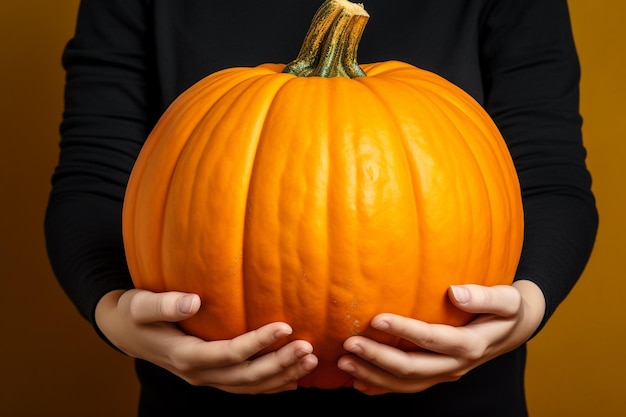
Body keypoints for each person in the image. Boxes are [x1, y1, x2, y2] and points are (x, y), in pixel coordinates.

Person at [44, 0, 598, 415]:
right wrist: (112, 313)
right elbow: (93, 179)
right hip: (198, 392)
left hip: (459, 393)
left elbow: (549, 176)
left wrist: (524, 308)